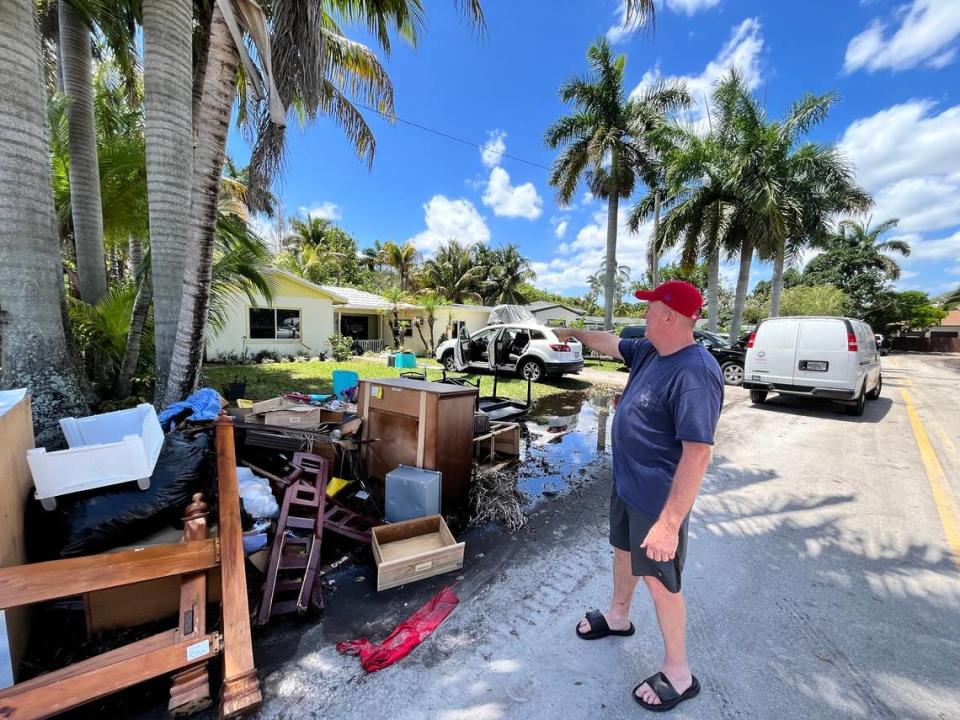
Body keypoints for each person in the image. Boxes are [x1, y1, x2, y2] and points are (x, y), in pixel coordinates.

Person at [555, 280, 723, 713]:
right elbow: (611, 342)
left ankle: (679, 673)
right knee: (623, 552)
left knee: (661, 580)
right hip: (627, 483)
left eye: (650, 309)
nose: (643, 315)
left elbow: (697, 452)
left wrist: (669, 523)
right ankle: (618, 617)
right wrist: (575, 335)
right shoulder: (650, 350)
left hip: (658, 498)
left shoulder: (695, 372)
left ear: (670, 317)